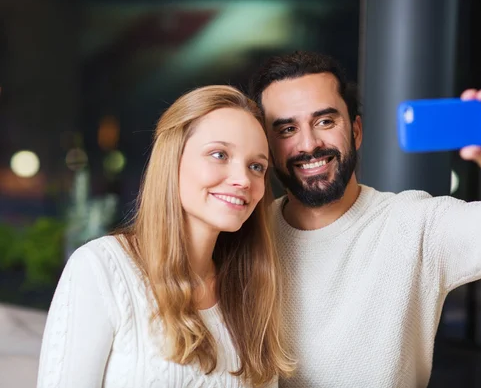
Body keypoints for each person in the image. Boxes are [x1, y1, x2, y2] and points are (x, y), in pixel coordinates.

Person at [247, 51, 481, 388]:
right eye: (287, 129)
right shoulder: (248, 237)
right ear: (267, 147)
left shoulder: (414, 223)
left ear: (356, 131)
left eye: (325, 121)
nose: (309, 144)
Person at [36, 85, 295, 388]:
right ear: (172, 160)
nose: (243, 180)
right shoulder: (100, 268)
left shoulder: (252, 290)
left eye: (256, 166)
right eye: (219, 154)